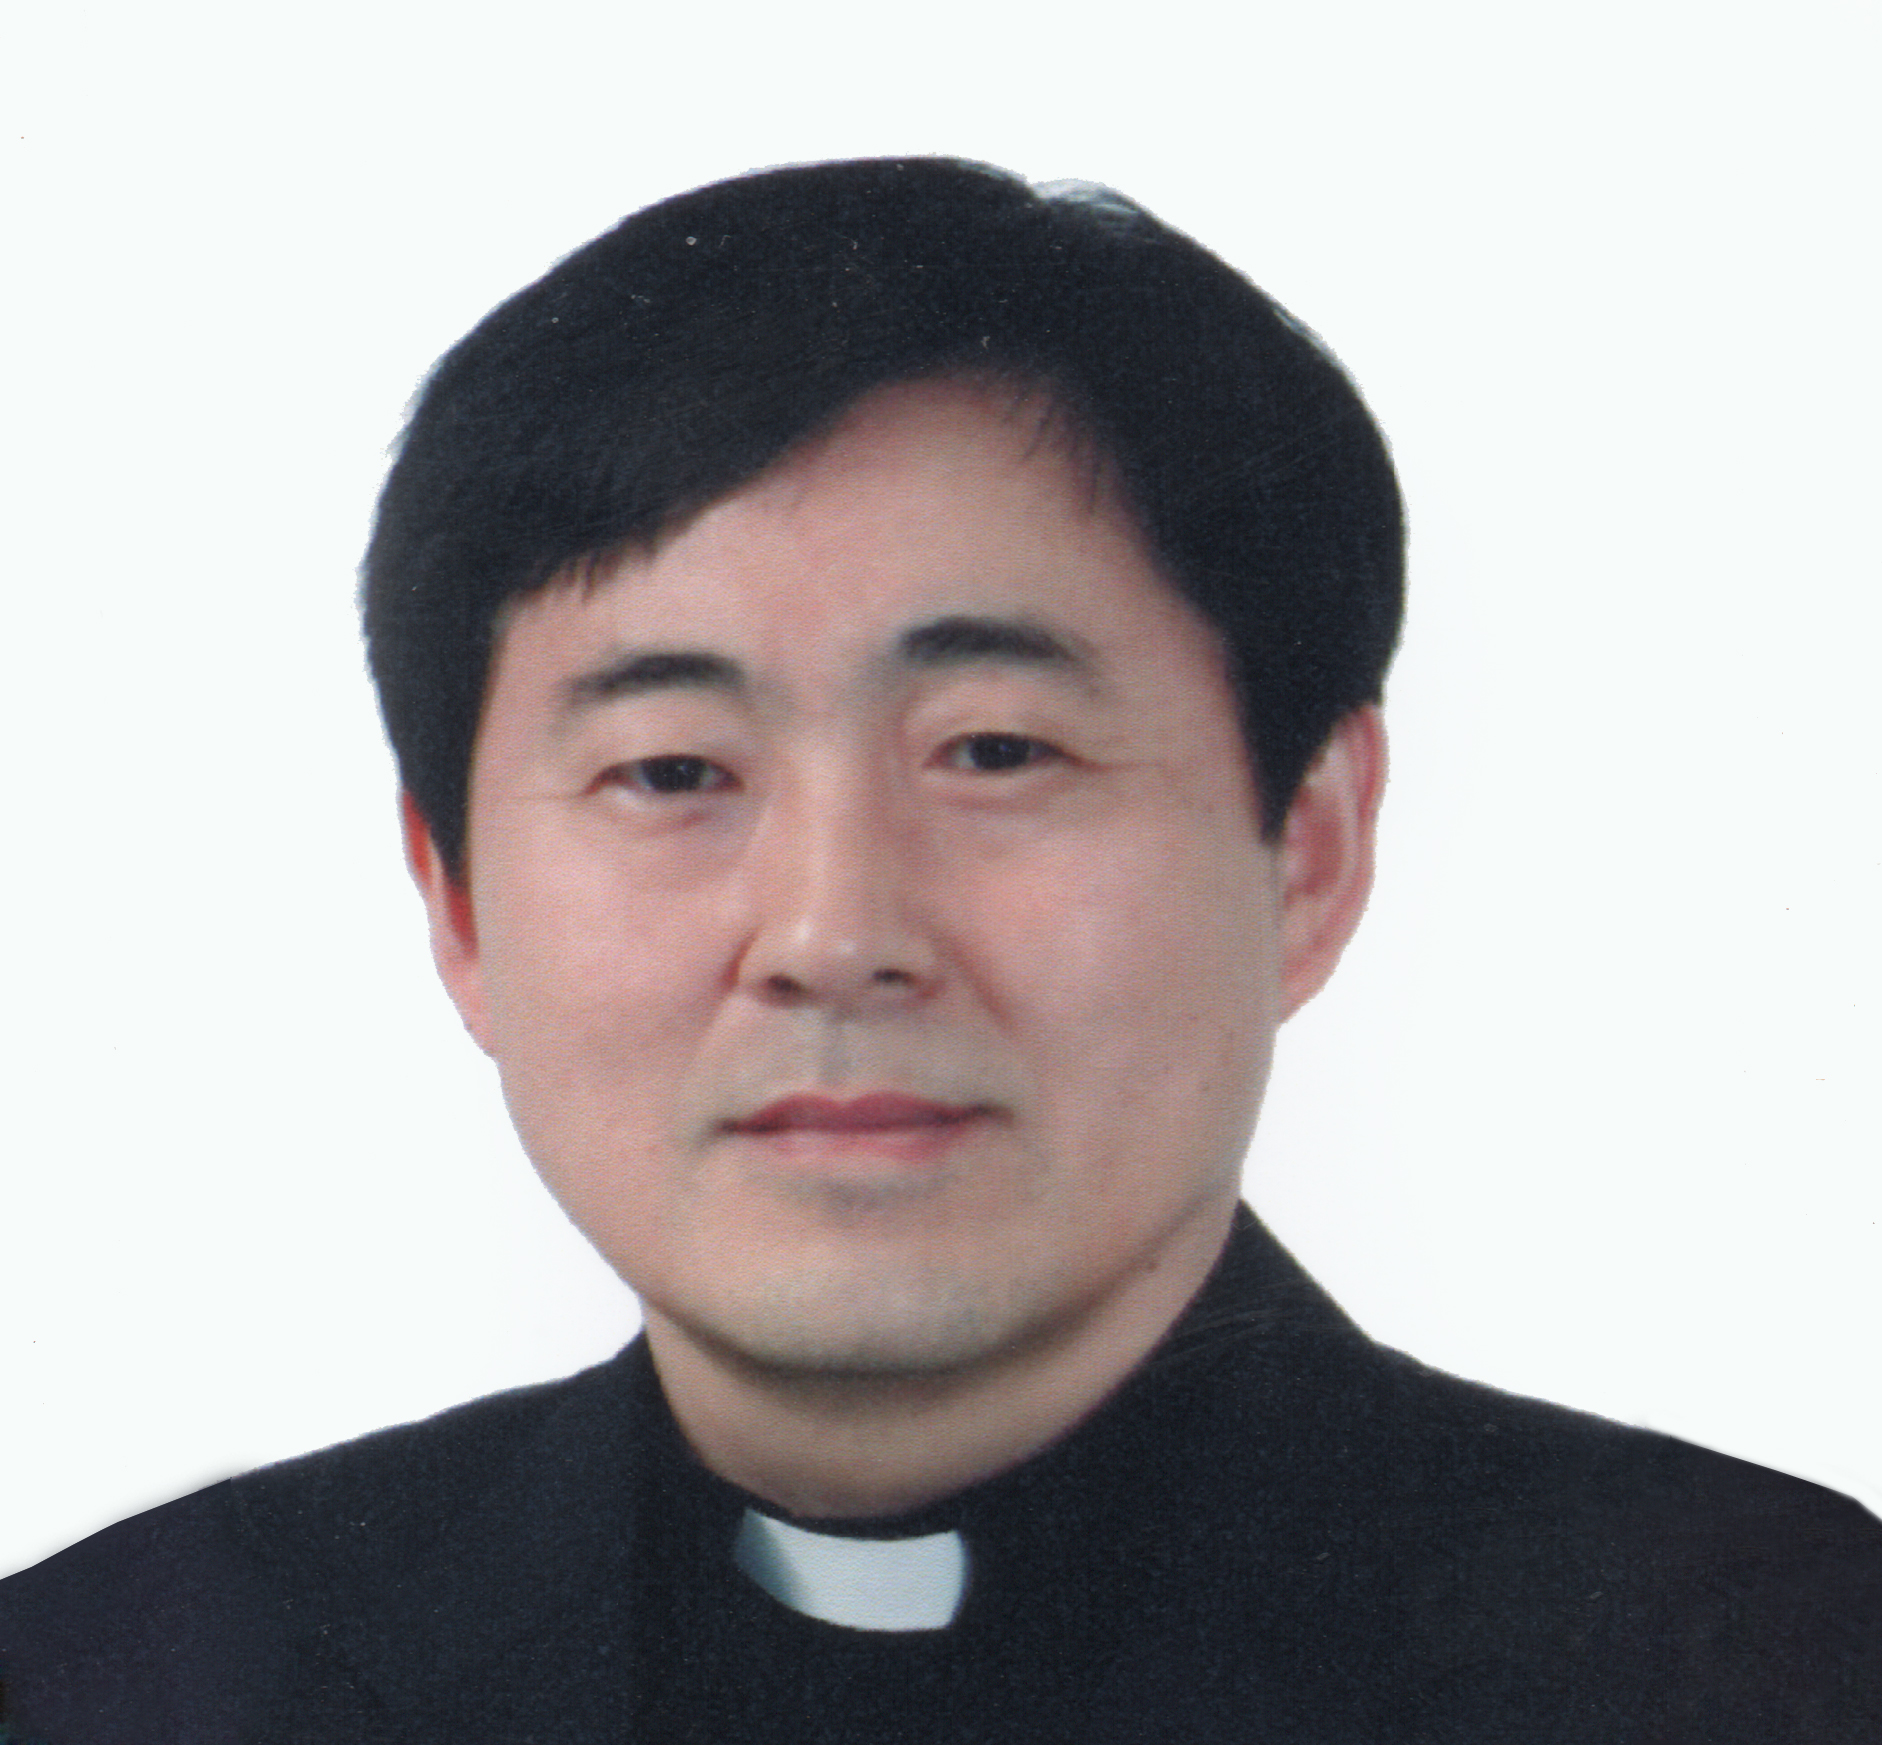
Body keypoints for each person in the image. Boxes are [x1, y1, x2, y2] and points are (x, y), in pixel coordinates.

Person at [2, 156, 1875, 1743]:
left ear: (1306, 846)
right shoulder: (125, 1680)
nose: (833, 934)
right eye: (673, 770)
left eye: (994, 752)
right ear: (461, 904)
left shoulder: (1772, 1662)